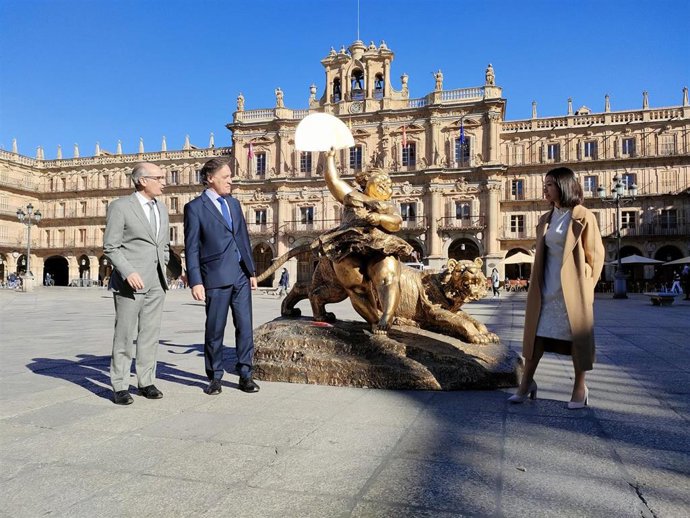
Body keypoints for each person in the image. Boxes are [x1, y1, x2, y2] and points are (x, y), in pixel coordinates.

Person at [509, 166, 604, 409]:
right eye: (545, 184)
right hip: (545, 287)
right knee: (536, 339)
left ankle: (579, 389)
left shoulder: (584, 217)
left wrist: (585, 289)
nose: (545, 189)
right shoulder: (546, 219)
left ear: (563, 186)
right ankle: (526, 384)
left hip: (572, 291)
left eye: (550, 184)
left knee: (576, 339)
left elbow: (595, 257)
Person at [183, 158, 259, 395]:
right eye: (226, 177)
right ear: (210, 179)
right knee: (215, 329)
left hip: (240, 274)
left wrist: (252, 271)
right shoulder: (195, 208)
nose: (231, 181)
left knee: (245, 326)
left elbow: (243, 239)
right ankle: (215, 376)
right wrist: (195, 280)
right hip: (214, 276)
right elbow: (192, 247)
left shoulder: (234, 204)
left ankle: (245, 373)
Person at [319, 149, 412, 334]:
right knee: (355, 284)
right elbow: (334, 181)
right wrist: (329, 158)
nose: (385, 186)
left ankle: (387, 315)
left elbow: (397, 223)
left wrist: (380, 219)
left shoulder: (387, 205)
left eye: (388, 184)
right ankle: (374, 319)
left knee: (388, 277)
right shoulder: (353, 196)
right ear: (365, 182)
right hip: (349, 245)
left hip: (380, 244)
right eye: (381, 182)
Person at [104, 162, 170, 405]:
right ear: (142, 180)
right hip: (130, 282)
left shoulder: (161, 209)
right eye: (159, 177)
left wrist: (165, 269)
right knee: (124, 334)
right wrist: (127, 271)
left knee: (150, 334)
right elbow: (111, 246)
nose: (164, 181)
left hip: (156, 281)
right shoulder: (121, 207)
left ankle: (146, 380)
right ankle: (120, 384)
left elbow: (162, 246)